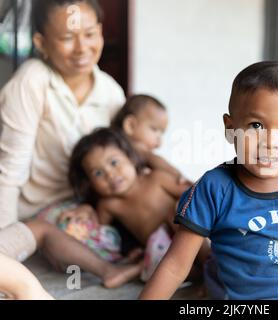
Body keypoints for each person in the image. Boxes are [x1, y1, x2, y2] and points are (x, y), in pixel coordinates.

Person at [139, 61, 278, 300]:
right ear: (230, 128)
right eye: (255, 125)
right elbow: (175, 266)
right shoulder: (214, 187)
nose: (270, 141)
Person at [0, 0, 141, 287]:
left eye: (89, 34)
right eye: (67, 38)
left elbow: (124, 161)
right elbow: (9, 171)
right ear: (41, 42)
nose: (81, 48)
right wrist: (6, 244)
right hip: (34, 210)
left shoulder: (111, 92)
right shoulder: (31, 82)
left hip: (87, 207)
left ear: (101, 32)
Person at [68, 127, 206, 281]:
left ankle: (210, 263)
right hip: (164, 250)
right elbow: (105, 237)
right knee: (160, 261)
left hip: (191, 233)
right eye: (98, 173)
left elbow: (193, 194)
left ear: (131, 158)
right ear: (90, 183)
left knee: (176, 212)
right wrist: (86, 208)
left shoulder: (156, 178)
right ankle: (202, 276)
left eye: (114, 162)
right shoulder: (108, 205)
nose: (110, 174)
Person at [111, 94, 185, 181]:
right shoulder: (132, 146)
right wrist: (177, 175)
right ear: (130, 125)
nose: (159, 143)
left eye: (161, 133)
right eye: (154, 129)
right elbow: (155, 160)